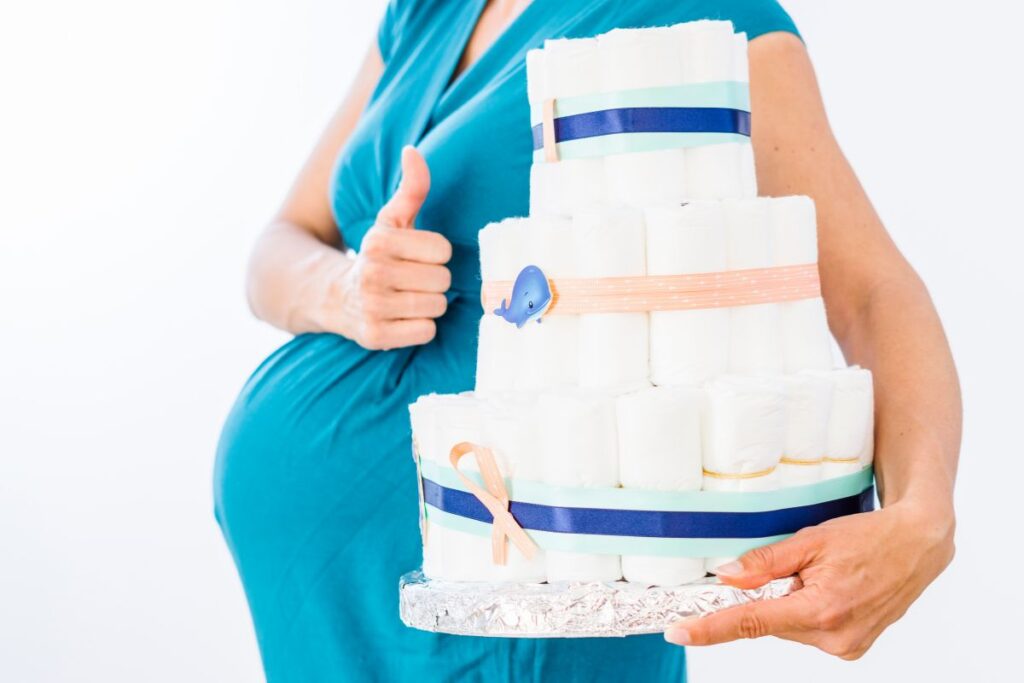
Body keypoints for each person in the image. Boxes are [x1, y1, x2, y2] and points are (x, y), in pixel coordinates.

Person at [214, 0, 961, 680]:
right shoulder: (424, 13)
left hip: (531, 579)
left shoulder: (703, 23)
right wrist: (346, 292)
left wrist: (923, 512)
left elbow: (870, 291)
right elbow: (278, 245)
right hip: (318, 606)